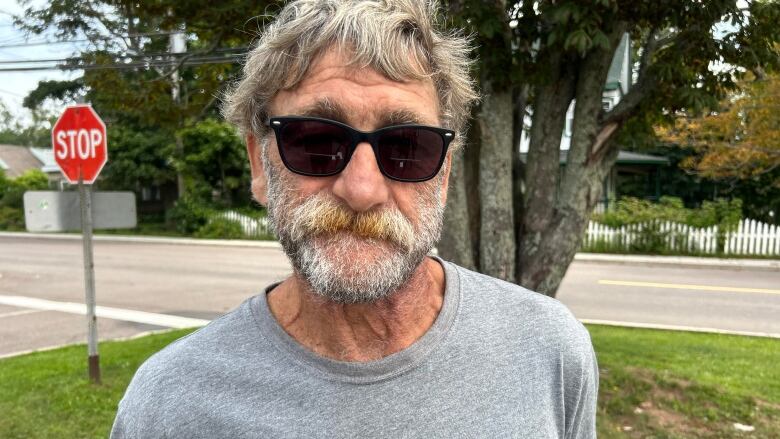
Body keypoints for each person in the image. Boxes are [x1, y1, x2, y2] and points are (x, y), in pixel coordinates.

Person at [110, 0, 598, 437]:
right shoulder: (171, 404)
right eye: (316, 141)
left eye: (407, 147)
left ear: (443, 173)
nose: (362, 190)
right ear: (259, 164)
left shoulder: (549, 350)